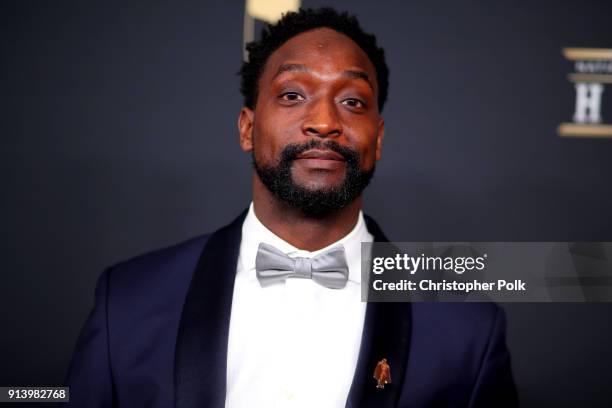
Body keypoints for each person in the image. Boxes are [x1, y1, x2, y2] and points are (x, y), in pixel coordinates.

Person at [64, 7, 518, 407]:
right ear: (247, 127)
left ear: (377, 139)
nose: (323, 122)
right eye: (292, 95)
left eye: (352, 101)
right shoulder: (126, 302)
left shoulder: (467, 330)